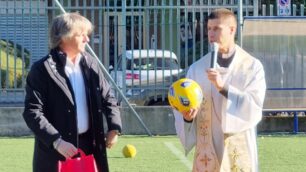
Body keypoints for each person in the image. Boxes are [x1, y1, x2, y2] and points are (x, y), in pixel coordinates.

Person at [22, 12, 122, 172]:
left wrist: (114, 127)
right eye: (81, 35)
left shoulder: (91, 64)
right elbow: (32, 112)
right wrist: (56, 141)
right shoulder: (42, 69)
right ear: (64, 37)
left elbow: (108, 97)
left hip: (90, 148)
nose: (87, 39)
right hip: (55, 152)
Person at [173, 8, 266, 172]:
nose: (211, 34)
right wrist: (187, 117)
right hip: (207, 147)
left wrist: (223, 87)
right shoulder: (197, 69)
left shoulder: (251, 66)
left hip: (238, 146)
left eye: (217, 28)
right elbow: (185, 105)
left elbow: (255, 105)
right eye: (209, 28)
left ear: (232, 30)